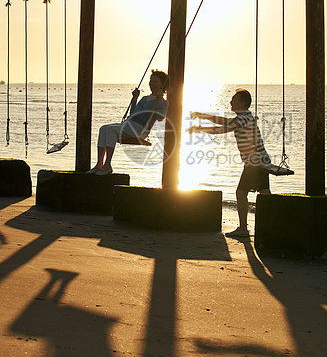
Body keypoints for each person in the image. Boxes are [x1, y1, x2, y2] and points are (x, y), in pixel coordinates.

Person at [188, 88, 271, 238]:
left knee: (241, 193)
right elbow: (224, 125)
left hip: (256, 162)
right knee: (265, 194)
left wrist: (201, 123)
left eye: (233, 99)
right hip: (260, 160)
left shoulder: (244, 118)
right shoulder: (244, 117)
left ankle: (244, 229)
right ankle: (271, 225)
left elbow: (223, 127)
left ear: (242, 103)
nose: (230, 102)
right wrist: (202, 121)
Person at [87, 70, 169, 175]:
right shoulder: (144, 98)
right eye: (151, 81)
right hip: (130, 124)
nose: (152, 84)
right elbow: (133, 114)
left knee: (110, 129)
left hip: (140, 130)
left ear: (162, 85)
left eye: (156, 82)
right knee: (103, 128)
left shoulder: (163, 102)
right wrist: (135, 99)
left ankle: (107, 165)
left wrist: (160, 100)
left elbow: (160, 117)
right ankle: (99, 164)